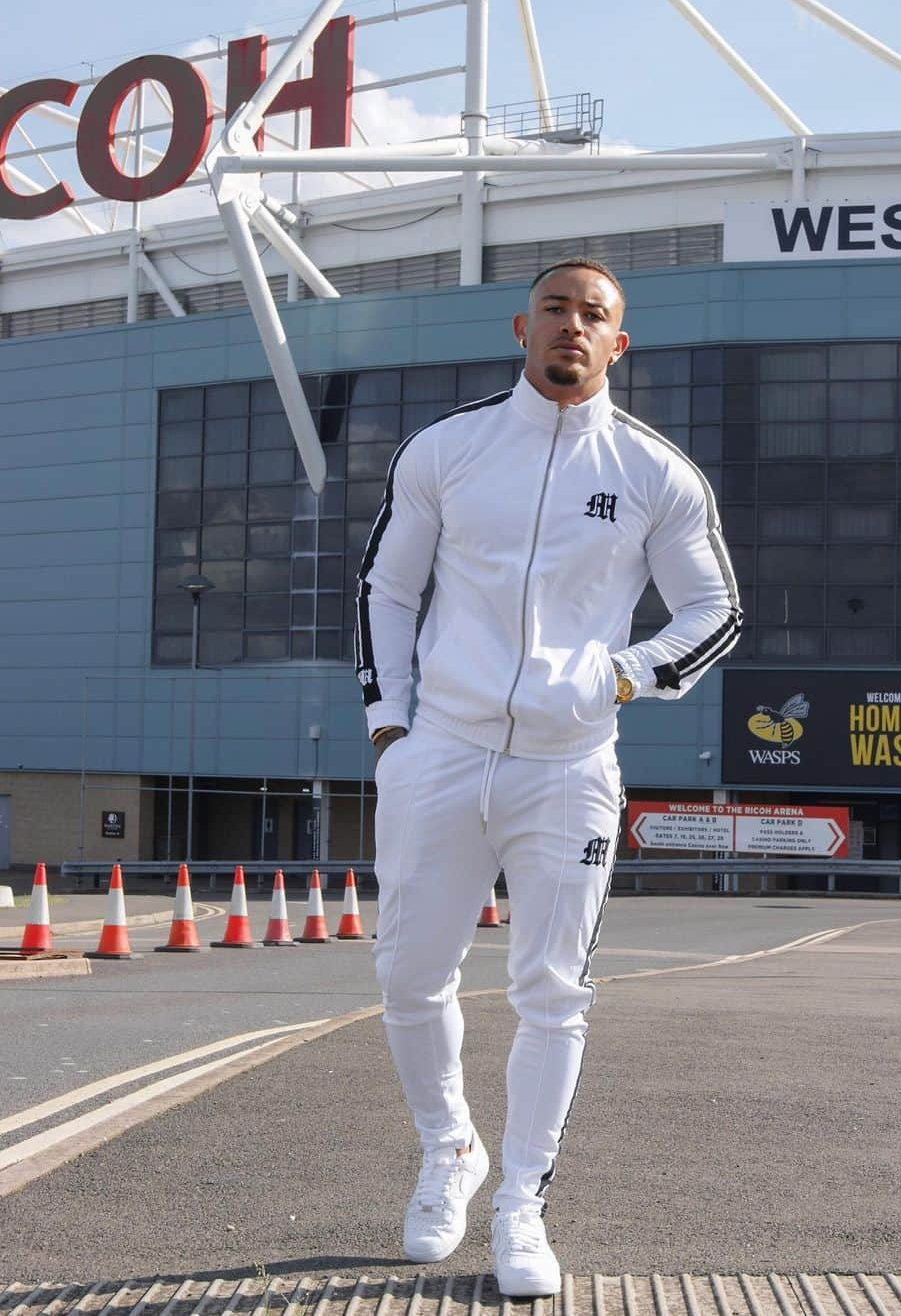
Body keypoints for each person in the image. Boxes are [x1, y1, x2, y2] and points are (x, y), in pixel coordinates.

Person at [355, 258, 741, 1295]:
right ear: (523, 327)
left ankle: (522, 1201)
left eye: (598, 316)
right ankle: (450, 1151)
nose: (576, 326)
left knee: (551, 991)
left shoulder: (657, 472)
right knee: (409, 974)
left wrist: (621, 674)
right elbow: (388, 588)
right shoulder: (449, 449)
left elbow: (715, 612)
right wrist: (391, 725)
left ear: (621, 344)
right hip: (441, 749)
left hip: (568, 765)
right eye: (560, 309)